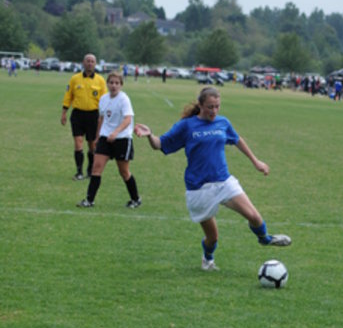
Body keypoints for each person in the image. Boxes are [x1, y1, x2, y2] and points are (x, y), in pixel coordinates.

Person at [134, 86, 291, 271]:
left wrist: (256, 161)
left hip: (223, 182)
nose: (214, 111)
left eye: (217, 106)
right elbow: (160, 144)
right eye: (210, 107)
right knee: (213, 238)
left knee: (255, 217)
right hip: (199, 189)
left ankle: (264, 239)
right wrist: (150, 135)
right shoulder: (187, 126)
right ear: (200, 105)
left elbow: (237, 139)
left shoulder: (223, 122)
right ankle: (208, 259)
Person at [77, 71, 142, 208]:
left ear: (121, 85)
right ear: (107, 84)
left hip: (122, 139)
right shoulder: (103, 99)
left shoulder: (124, 99)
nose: (114, 85)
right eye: (111, 82)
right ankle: (89, 200)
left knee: (124, 172)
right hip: (105, 138)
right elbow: (101, 118)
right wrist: (97, 137)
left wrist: (116, 132)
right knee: (96, 168)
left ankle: (135, 199)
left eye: (117, 83)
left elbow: (128, 119)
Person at [61, 53, 107, 180]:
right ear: (83, 62)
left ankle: (90, 170)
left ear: (95, 64)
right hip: (78, 114)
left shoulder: (100, 80)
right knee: (78, 142)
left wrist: (105, 117)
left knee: (92, 145)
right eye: (88, 61)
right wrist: (64, 112)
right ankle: (79, 172)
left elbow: (105, 100)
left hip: (93, 116)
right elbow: (68, 96)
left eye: (92, 61)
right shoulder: (75, 79)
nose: (90, 63)